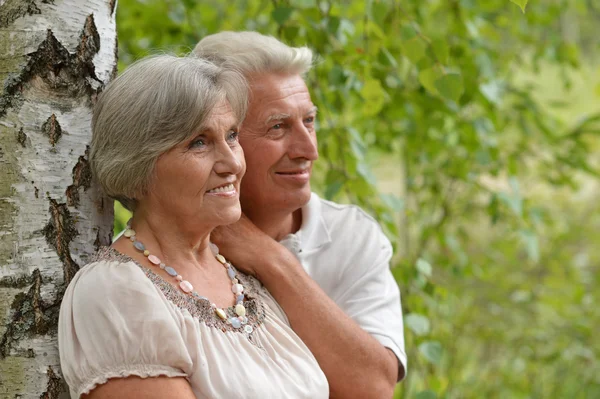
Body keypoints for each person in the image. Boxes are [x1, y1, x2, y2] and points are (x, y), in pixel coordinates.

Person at [57, 55, 329, 398]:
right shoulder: (115, 294)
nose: (232, 162)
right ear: (138, 171)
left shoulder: (243, 277)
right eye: (198, 142)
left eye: (231, 135)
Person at [193, 31, 407, 398]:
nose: (309, 150)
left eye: (309, 121)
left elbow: (374, 388)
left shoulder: (353, 237)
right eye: (278, 126)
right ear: (220, 138)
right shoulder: (166, 250)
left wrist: (269, 258)